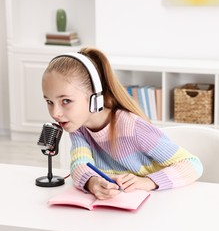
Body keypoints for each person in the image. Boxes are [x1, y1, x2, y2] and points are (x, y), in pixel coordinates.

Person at [42, 47, 203, 199]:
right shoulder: (78, 128)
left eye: (66, 101)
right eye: (49, 101)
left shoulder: (131, 127)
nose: (55, 113)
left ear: (94, 98)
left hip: (159, 202)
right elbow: (79, 164)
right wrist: (92, 182)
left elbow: (192, 164)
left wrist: (148, 181)